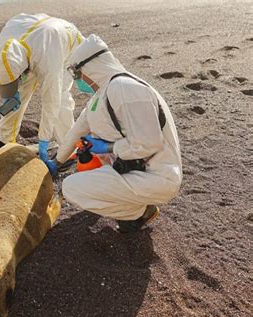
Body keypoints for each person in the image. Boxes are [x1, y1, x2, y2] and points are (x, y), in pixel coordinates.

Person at [44, 34, 182, 233]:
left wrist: (108, 147)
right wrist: (56, 162)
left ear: (92, 66)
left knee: (71, 187)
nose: (78, 81)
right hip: (133, 167)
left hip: (158, 176)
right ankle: (134, 206)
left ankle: (138, 212)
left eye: (77, 74)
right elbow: (77, 132)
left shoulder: (125, 88)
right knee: (87, 166)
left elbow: (149, 143)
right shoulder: (101, 95)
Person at [0, 13, 84, 163]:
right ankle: (4, 137)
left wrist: (43, 139)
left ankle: (68, 149)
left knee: (60, 98)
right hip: (36, 41)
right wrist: (10, 93)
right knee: (19, 91)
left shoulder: (48, 59)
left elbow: (51, 101)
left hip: (66, 45)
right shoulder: (3, 48)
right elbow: (8, 71)